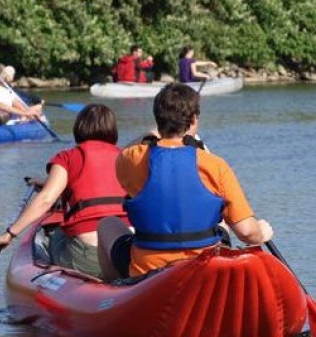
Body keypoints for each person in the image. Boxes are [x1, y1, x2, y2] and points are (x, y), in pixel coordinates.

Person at [97, 83, 273, 280]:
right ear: (194, 119)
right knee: (222, 224)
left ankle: (115, 288)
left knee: (107, 224)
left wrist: (151, 134)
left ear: (158, 120)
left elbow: (124, 152)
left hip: (146, 270)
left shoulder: (132, 159)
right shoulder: (215, 165)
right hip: (203, 268)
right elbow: (247, 232)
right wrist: (262, 233)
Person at [0, 104, 129, 278]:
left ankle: (50, 279)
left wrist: (10, 234)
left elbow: (46, 200)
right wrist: (46, 182)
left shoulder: (67, 157)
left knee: (48, 232)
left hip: (88, 259)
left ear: (79, 128)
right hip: (124, 257)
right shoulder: (127, 157)